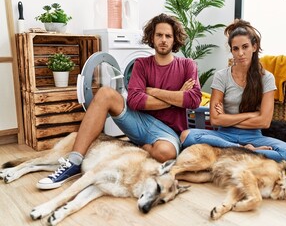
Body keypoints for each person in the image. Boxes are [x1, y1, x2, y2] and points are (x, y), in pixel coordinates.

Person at [37, 13, 202, 190]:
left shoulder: (187, 65)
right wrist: (177, 97)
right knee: (106, 93)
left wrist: (153, 91)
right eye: (159, 35)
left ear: (175, 39)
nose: (163, 40)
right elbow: (136, 100)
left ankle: (140, 147)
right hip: (139, 121)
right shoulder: (141, 64)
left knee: (165, 153)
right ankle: (74, 162)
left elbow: (193, 100)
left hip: (168, 132)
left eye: (168, 36)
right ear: (152, 38)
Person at [180, 19, 286, 163]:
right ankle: (246, 151)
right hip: (223, 136)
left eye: (245, 47)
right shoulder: (221, 76)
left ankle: (230, 152)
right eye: (235, 49)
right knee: (186, 136)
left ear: (254, 47)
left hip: (254, 137)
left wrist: (226, 119)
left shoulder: (267, 78)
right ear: (231, 51)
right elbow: (215, 119)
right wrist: (251, 115)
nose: (240, 53)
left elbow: (265, 121)